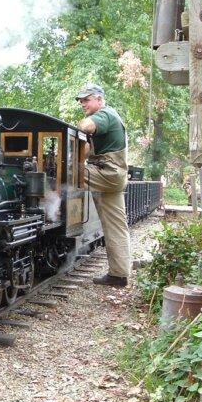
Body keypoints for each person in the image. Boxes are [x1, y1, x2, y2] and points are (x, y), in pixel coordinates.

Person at [76, 83, 131, 287]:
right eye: (81, 100)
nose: (82, 103)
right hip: (113, 176)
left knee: (62, 174)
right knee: (116, 226)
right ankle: (119, 275)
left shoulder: (105, 115)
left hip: (107, 173)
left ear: (99, 99)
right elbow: (86, 150)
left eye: (86, 99)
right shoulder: (108, 117)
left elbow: (85, 127)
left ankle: (49, 210)